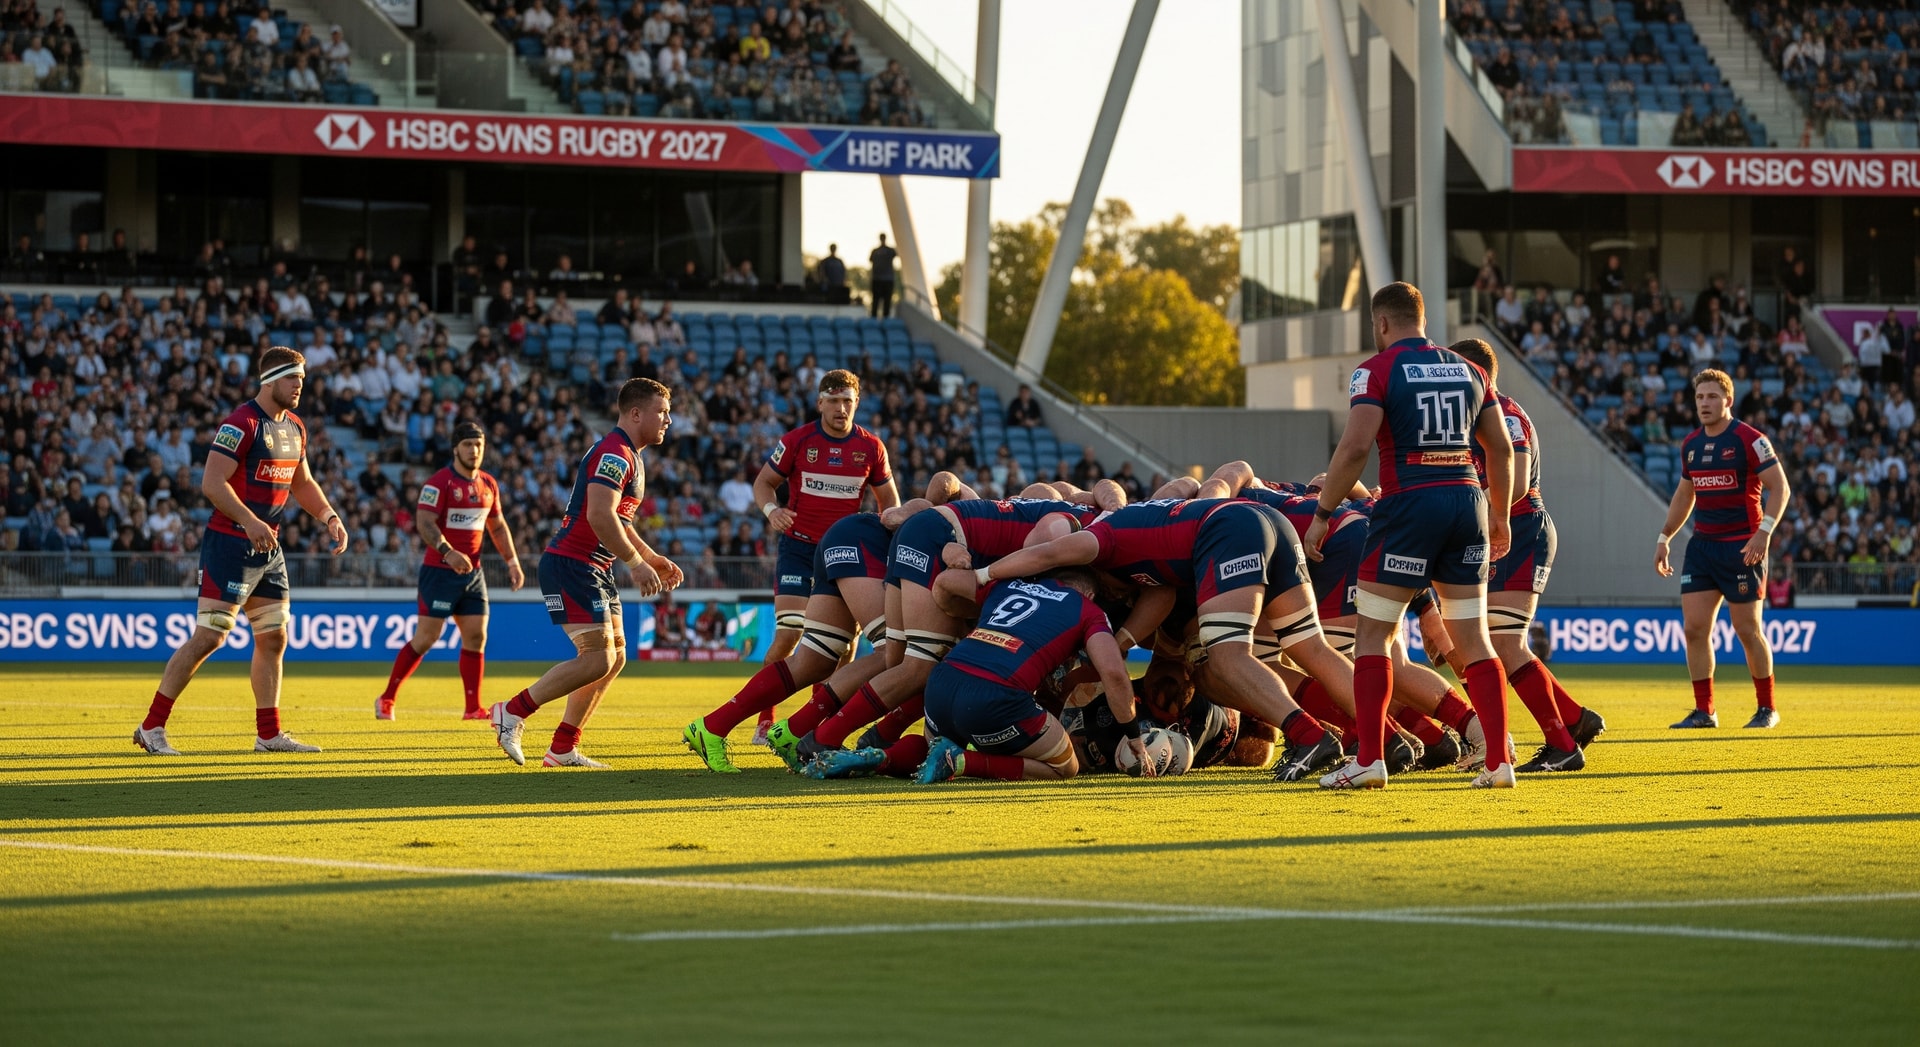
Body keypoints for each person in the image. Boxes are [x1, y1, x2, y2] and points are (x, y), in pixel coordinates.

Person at [1305, 282, 1518, 790]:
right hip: (1467, 503)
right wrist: (1501, 514)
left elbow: (1356, 446)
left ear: (1381, 323)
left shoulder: (1375, 371)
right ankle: (1498, 762)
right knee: (1475, 640)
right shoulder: (1470, 370)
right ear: (1421, 318)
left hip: (1408, 506)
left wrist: (1323, 511)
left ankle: (1371, 761)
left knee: (1374, 636)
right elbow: (1503, 450)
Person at [133, 347, 349, 756]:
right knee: (210, 637)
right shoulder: (241, 423)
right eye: (292, 379)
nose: (299, 386)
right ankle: (151, 727)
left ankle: (268, 734)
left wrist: (329, 516)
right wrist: (250, 521)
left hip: (268, 547)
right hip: (231, 542)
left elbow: (302, 483)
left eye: (302, 379)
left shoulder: (295, 427)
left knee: (274, 639)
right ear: (270, 381)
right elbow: (212, 483)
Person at [683, 369, 896, 758]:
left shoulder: (871, 447)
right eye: (833, 400)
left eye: (848, 401)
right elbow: (763, 483)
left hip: (842, 558)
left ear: (857, 404)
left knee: (843, 648)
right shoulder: (798, 441)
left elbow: (890, 505)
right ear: (819, 403)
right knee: (789, 634)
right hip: (799, 549)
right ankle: (766, 721)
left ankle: (813, 726)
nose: (840, 408)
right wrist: (771, 511)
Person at [490, 378, 682, 768]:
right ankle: (511, 712)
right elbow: (597, 514)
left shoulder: (630, 454)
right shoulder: (615, 453)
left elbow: (619, 521)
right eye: (661, 412)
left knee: (615, 658)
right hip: (572, 564)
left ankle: (563, 747)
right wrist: (635, 563)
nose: (669, 420)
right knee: (596, 658)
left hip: (594, 566)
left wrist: (652, 556)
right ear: (635, 413)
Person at [1449, 339, 1605, 771]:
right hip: (1502, 531)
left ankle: (1563, 745)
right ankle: (1573, 719)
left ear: (1475, 372)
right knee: (1489, 642)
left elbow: (1513, 480)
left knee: (1502, 641)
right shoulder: (1477, 417)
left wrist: (1468, 511)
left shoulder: (1504, 413)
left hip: (1519, 529)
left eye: (1454, 369)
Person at [904, 568, 1147, 782]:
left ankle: (882, 758)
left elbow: (945, 582)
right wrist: (1133, 736)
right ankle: (963, 762)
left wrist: (961, 613)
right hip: (994, 699)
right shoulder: (1088, 609)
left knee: (931, 752)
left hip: (941, 684)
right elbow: (1113, 673)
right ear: (1091, 594)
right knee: (1065, 766)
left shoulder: (1006, 585)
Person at [1656, 369, 1790, 730]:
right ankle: (1705, 711)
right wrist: (1665, 537)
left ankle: (1766, 708)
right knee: (1694, 629)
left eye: (1712, 396)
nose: (1705, 403)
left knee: (1747, 629)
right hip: (1702, 547)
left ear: (1728, 400)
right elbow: (1686, 495)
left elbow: (1781, 488)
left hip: (1742, 547)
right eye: (1700, 397)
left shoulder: (1751, 439)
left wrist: (1764, 533)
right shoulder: (1691, 445)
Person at [375, 422, 525, 721]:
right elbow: (424, 523)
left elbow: (497, 525)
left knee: (476, 636)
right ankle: (387, 698)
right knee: (427, 638)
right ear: (456, 448)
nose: (474, 450)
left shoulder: (488, 484)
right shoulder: (439, 483)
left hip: (473, 574)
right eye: (468, 444)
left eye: (479, 445)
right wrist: (448, 551)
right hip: (439, 572)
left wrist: (512, 561)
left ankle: (472, 708)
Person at [868, 234, 897, 319]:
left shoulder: (889, 250)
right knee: (877, 301)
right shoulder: (877, 251)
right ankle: (875, 317)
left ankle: (884, 318)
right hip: (879, 279)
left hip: (885, 279)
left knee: (886, 301)